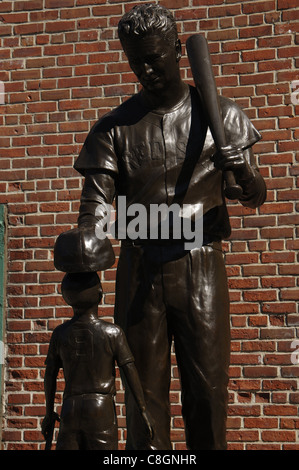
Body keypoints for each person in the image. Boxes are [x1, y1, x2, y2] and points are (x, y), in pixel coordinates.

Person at [54, 3, 267, 450]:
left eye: (154, 58)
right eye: (136, 61)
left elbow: (253, 195)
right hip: (141, 270)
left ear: (176, 49)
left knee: (207, 392)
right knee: (142, 399)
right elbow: (94, 204)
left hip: (200, 264)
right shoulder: (115, 130)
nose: (146, 70)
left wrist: (243, 172)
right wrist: (86, 244)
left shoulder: (222, 118)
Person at [42, 272, 153, 450]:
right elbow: (130, 371)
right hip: (101, 409)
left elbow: (50, 375)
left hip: (70, 407)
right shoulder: (112, 333)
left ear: (66, 297)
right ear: (100, 295)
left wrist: (48, 413)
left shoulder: (60, 334)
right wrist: (143, 410)